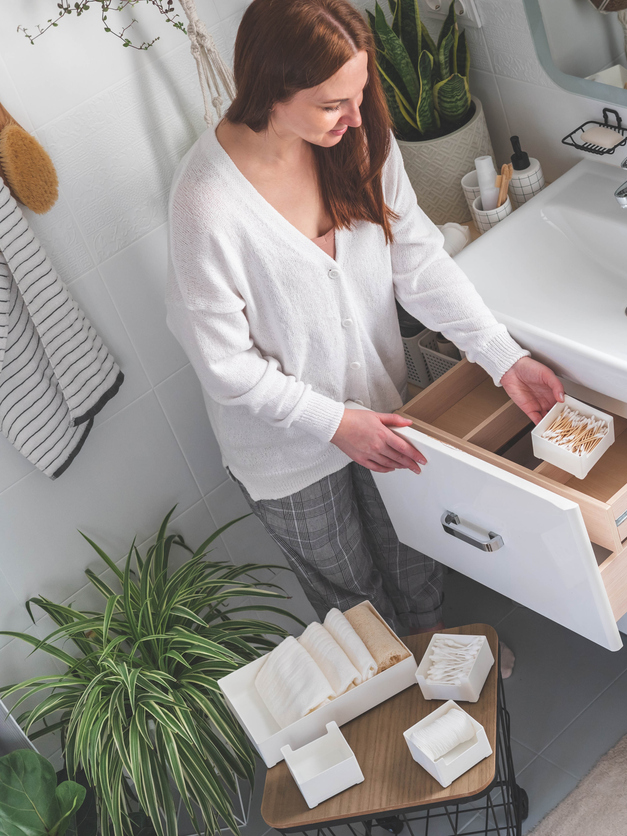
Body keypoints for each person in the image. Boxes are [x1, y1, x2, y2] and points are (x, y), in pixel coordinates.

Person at [165, 0, 562, 653]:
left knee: (415, 546)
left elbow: (419, 263)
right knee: (352, 596)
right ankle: (400, 689)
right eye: (331, 104)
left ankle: (443, 661)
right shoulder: (206, 202)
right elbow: (224, 365)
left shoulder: (361, 138)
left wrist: (502, 358)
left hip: (380, 406)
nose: (354, 117)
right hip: (285, 450)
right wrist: (333, 423)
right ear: (270, 87)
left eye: (358, 94)